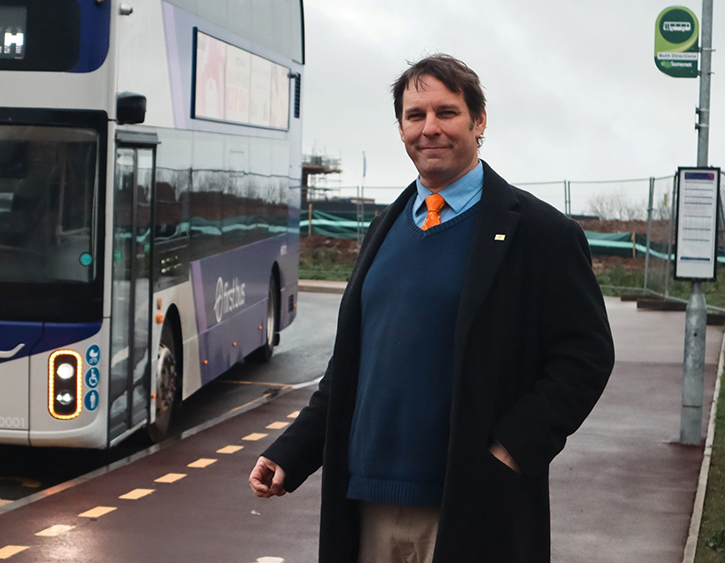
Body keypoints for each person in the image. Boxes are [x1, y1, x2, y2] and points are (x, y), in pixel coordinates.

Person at [248, 54, 615, 563]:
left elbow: (586, 356)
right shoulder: (385, 227)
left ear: (479, 121)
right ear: (400, 126)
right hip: (367, 501)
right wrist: (291, 452)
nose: (430, 129)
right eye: (415, 115)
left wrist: (512, 449)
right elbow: (354, 366)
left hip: (471, 504)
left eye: (446, 112)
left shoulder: (540, 233)